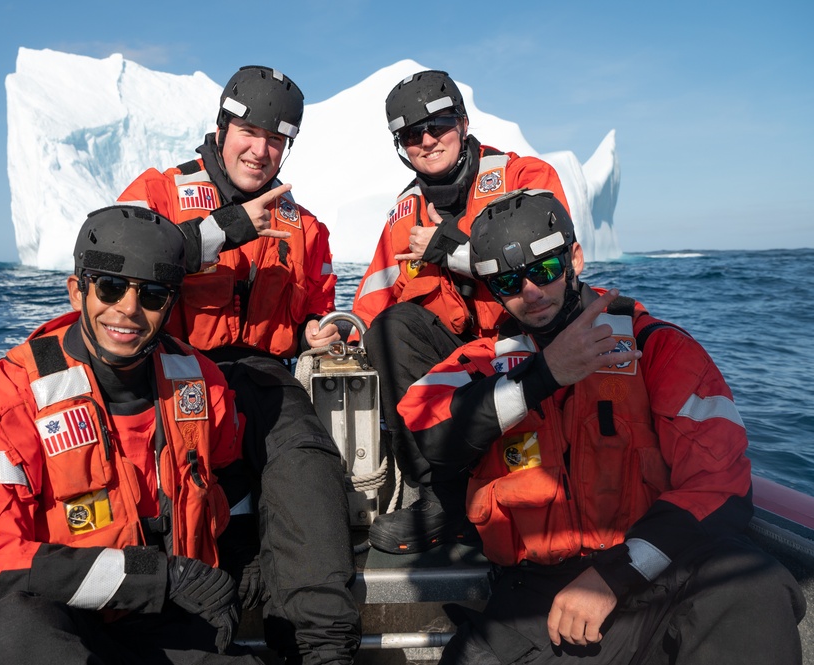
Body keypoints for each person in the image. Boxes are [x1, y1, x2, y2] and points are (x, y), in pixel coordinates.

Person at [398, 189, 807, 664]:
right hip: (539, 600)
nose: (530, 293)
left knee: (752, 584)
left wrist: (617, 573)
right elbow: (426, 437)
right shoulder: (484, 364)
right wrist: (542, 377)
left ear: (575, 257)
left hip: (656, 572)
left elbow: (722, 486)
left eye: (544, 270)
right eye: (509, 282)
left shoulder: (659, 350)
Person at [0, 205, 261, 665]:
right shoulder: (8, 398)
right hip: (63, 626)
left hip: (175, 624)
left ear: (169, 305)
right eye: (110, 288)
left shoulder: (200, 382)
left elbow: (230, 474)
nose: (128, 309)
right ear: (77, 291)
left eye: (151, 294)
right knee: (18, 634)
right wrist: (160, 577)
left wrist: (243, 549)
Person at [118, 66, 361, 665]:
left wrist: (314, 332)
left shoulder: (302, 225)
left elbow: (306, 315)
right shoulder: (158, 194)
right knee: (177, 478)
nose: (261, 149)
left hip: (260, 372)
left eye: (277, 139)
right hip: (171, 369)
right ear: (222, 127)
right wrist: (222, 231)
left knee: (306, 462)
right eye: (249, 130)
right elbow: (120, 266)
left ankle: (320, 645)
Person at [352, 70, 572, 554]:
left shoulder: (523, 176)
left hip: (527, 336)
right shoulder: (403, 211)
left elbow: (547, 263)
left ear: (464, 123)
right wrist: (342, 330)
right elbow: (378, 287)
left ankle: (559, 486)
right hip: (458, 351)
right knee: (389, 331)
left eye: (439, 125)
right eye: (412, 135)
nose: (427, 141)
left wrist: (450, 249)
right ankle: (444, 501)